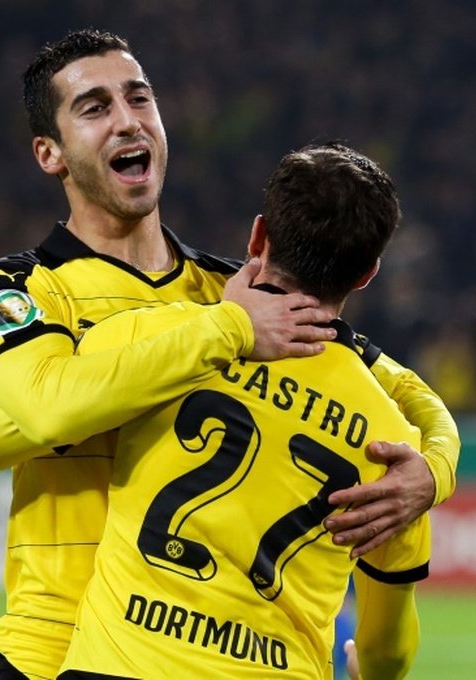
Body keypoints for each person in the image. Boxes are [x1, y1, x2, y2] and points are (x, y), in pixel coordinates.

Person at [0, 30, 458, 680]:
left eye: (139, 96)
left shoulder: (232, 292)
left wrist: (431, 475)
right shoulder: (24, 289)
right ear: (50, 153)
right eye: (95, 107)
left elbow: (406, 394)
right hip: (47, 648)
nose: (127, 119)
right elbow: (37, 413)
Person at [58, 142, 431, 679]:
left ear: (258, 238)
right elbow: (389, 648)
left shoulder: (159, 338)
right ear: (366, 274)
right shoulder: (396, 448)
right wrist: (371, 670)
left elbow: (41, 403)